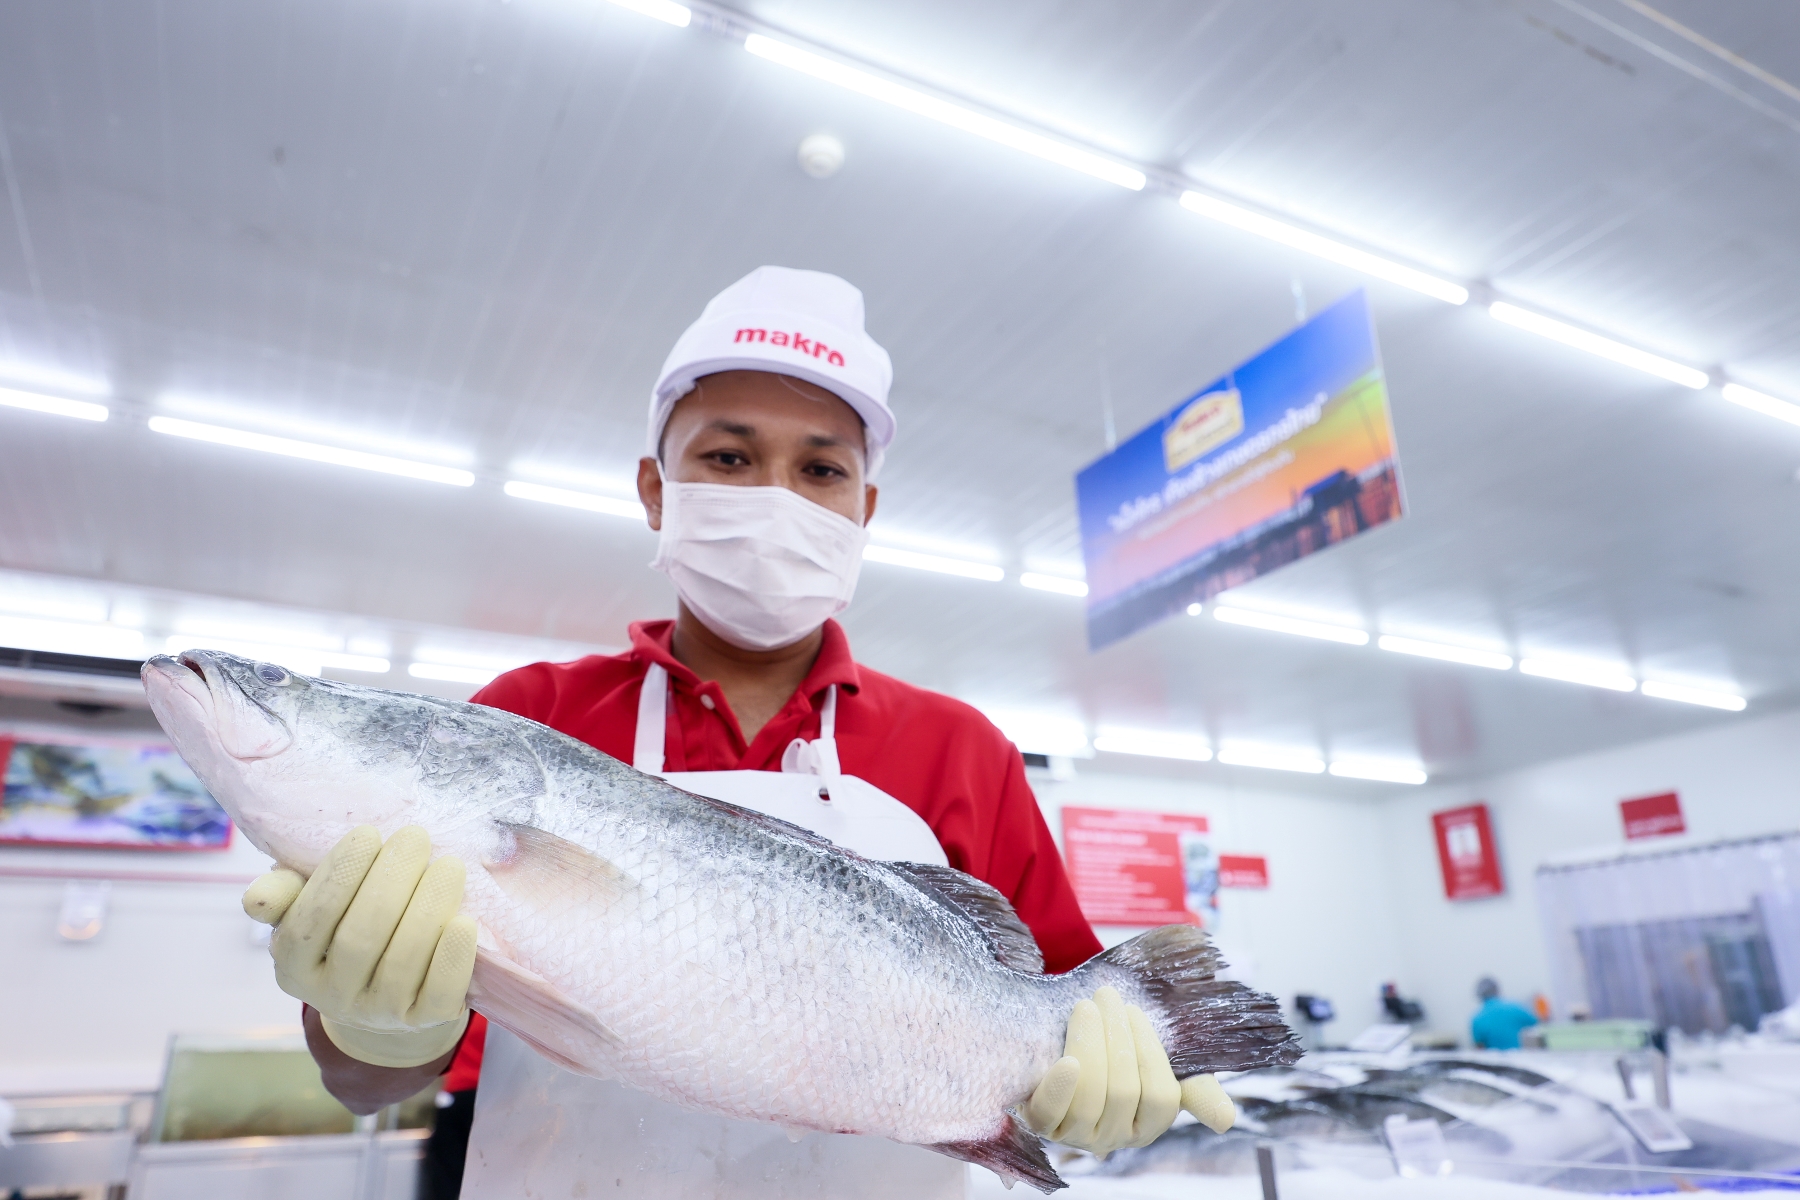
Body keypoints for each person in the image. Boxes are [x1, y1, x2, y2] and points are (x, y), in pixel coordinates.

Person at [241, 267, 1237, 1197]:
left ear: (864, 508)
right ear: (654, 485)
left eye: (821, 469)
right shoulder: (524, 719)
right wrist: (366, 1027)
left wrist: (1111, 1090)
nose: (774, 497)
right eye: (728, 456)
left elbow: (1064, 1021)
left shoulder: (961, 749)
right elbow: (377, 1084)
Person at [1470, 976, 1539, 1050]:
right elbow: (1537, 1025)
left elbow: (1480, 1048)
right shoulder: (1516, 1007)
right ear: (1497, 989)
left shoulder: (1477, 1020)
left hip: (1496, 1060)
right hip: (1522, 1058)